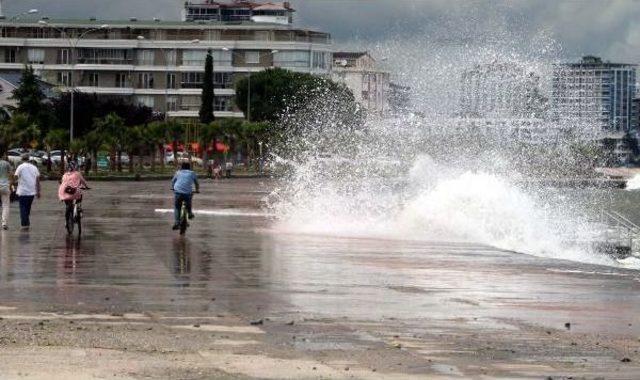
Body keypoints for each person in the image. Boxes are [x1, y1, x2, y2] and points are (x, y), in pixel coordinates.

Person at [58, 161, 89, 230]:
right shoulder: (78, 174)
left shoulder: (64, 175)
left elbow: (61, 182)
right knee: (79, 195)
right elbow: (83, 181)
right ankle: (78, 207)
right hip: (74, 192)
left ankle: (66, 221)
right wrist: (86, 187)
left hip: (64, 192)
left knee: (67, 205)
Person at [14, 154, 40, 230]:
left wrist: (13, 182)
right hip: (32, 191)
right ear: (28, 159)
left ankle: (24, 224)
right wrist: (38, 191)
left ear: (22, 159)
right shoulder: (34, 167)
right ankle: (26, 222)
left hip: (22, 191)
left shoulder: (20, 167)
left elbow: (15, 176)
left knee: (23, 207)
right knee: (27, 207)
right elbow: (37, 180)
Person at [171, 162, 199, 230]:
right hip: (187, 193)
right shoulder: (192, 173)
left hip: (177, 192)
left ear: (181, 167)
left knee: (177, 207)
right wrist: (197, 190)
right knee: (189, 200)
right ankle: (189, 213)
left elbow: (173, 181)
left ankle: (177, 222)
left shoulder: (178, 172)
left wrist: (173, 188)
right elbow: (196, 183)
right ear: (189, 167)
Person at [0, 153, 13, 230]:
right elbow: (11, 175)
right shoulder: (6, 163)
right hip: (5, 186)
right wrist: (11, 185)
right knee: (5, 205)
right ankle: (4, 223)